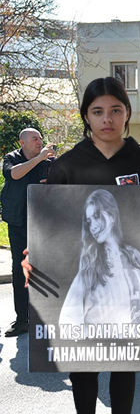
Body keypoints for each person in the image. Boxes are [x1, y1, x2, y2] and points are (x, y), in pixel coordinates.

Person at [23, 76, 140, 414]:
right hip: (82, 286)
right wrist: (35, 255)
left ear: (127, 113)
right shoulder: (66, 166)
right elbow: (48, 228)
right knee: (83, 369)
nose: (107, 119)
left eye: (115, 110)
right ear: (86, 116)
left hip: (124, 298)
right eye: (98, 111)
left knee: (123, 366)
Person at [59, 190, 140, 328]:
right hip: (103, 346)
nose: (93, 226)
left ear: (112, 215)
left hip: (135, 346)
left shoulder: (135, 256)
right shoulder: (90, 261)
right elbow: (69, 318)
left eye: (97, 217)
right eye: (89, 222)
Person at [1, 128, 53, 337]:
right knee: (19, 270)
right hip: (18, 222)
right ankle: (23, 320)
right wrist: (39, 158)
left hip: (41, 223)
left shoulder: (48, 163)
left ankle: (45, 318)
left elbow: (52, 187)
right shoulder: (11, 158)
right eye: (35, 139)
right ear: (22, 143)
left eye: (41, 138)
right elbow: (14, 174)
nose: (40, 141)